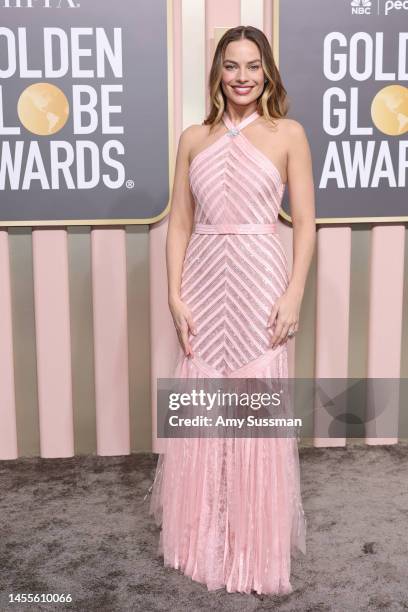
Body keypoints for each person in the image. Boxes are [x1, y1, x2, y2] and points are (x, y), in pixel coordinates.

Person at [146, 25, 316, 595]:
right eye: (231, 66)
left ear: (267, 71)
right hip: (202, 279)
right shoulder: (193, 138)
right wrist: (174, 293)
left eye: (252, 66)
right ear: (218, 72)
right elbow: (181, 225)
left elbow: (307, 228)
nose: (242, 77)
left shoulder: (288, 133)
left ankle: (254, 550)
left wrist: (293, 293)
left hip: (261, 278)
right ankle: (200, 539)